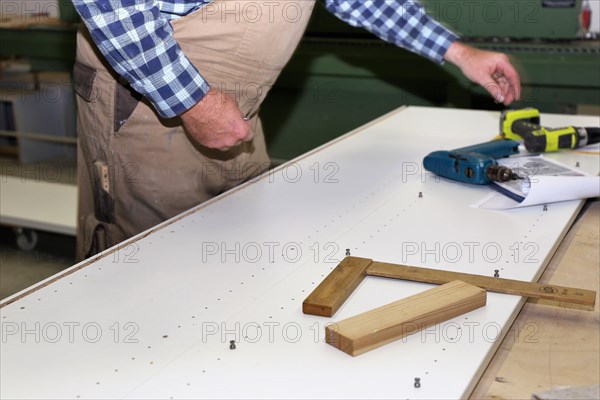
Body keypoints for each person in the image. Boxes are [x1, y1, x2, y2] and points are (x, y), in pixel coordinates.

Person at [71, 0, 521, 260]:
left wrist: (456, 51)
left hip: (231, 104)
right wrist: (191, 101)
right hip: (156, 91)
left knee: (235, 252)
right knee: (152, 264)